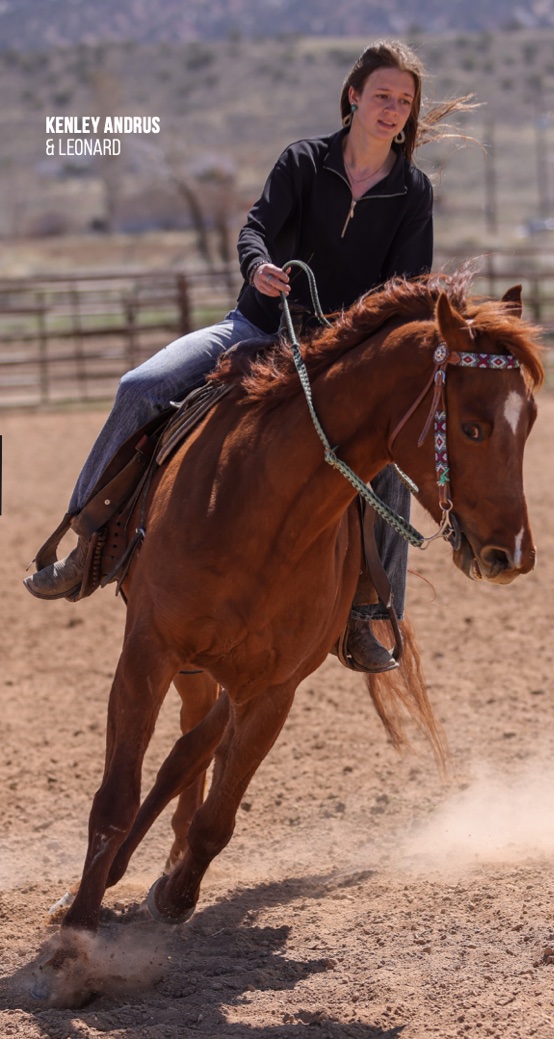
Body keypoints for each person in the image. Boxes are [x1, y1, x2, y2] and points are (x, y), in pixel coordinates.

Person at [24, 40, 469, 672]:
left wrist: (355, 341)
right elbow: (256, 226)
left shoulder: (411, 192)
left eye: (403, 101)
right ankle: (87, 543)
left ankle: (369, 611)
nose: (392, 110)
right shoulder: (303, 161)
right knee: (140, 386)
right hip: (258, 327)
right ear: (353, 97)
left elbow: (404, 287)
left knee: (388, 457)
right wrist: (258, 267)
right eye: (382, 96)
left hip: (340, 361)